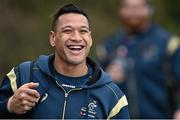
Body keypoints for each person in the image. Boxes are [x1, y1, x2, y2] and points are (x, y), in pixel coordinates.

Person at [0, 4, 130, 119]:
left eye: (83, 31)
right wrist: (9, 105)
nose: (76, 38)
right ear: (53, 38)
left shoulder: (113, 97)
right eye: (67, 30)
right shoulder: (23, 75)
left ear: (90, 39)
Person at [96, 0, 180, 119]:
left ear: (149, 10)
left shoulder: (168, 43)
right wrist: (106, 79)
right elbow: (94, 86)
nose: (133, 12)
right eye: (128, 7)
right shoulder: (109, 46)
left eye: (137, 7)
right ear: (120, 11)